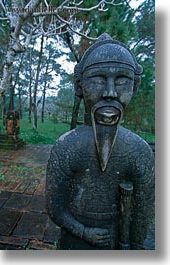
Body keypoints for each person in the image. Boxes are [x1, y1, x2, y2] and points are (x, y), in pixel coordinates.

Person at [46, 33, 155, 250]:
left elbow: (142, 216)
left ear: (136, 84)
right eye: (98, 80)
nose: (110, 93)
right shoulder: (67, 147)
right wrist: (84, 231)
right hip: (74, 243)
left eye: (122, 80)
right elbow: (54, 207)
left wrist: (135, 248)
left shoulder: (139, 152)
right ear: (79, 85)